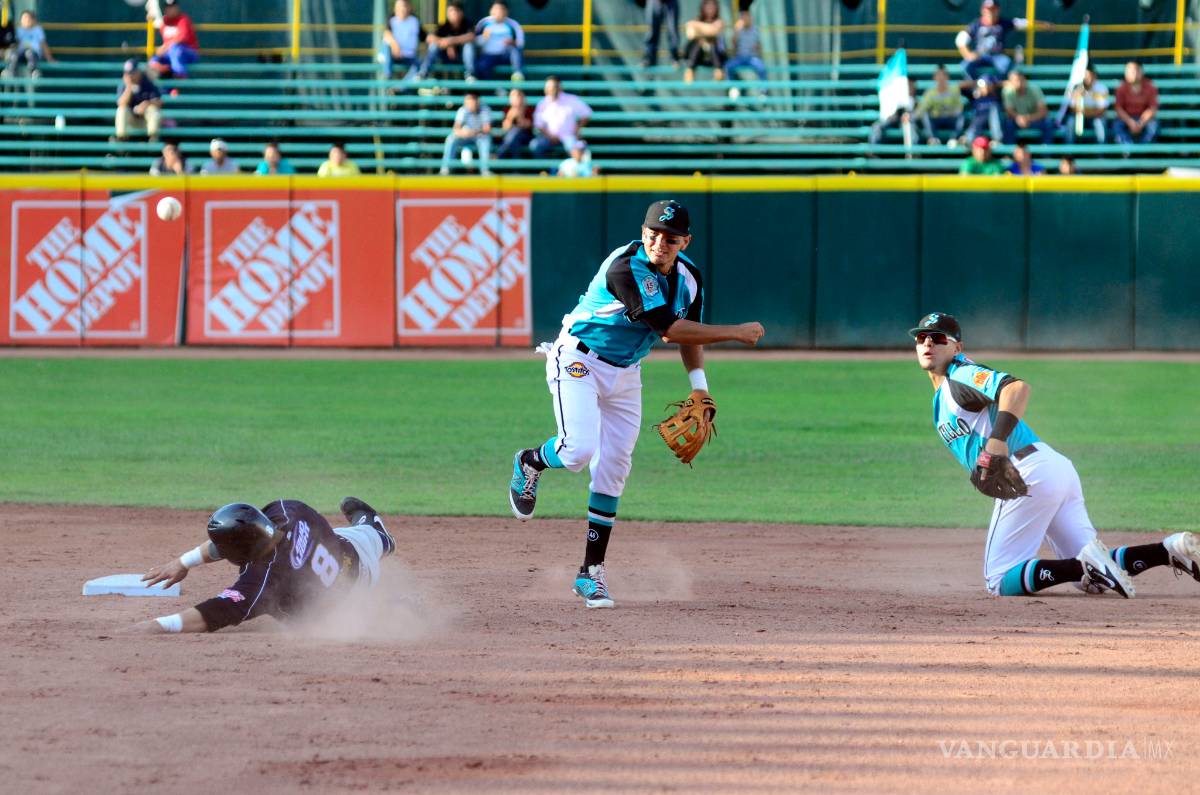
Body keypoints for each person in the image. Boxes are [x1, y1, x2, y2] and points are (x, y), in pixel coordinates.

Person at [507, 200, 765, 609]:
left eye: (670, 237)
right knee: (578, 450)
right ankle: (531, 461)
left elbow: (689, 335)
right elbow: (670, 330)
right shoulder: (625, 267)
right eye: (653, 233)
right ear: (642, 232)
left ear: (685, 241)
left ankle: (591, 574)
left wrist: (699, 386)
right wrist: (736, 332)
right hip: (579, 358)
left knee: (613, 468)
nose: (659, 242)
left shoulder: (690, 277)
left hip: (626, 373)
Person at [910, 312, 1200, 598]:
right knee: (1095, 581)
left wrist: (996, 442)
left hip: (1028, 472)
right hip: (1051, 469)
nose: (927, 344)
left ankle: (1084, 566)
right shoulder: (944, 392)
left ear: (957, 347)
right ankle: (1167, 551)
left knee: (999, 580)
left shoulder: (961, 374)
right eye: (921, 338)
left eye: (937, 338)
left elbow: (1015, 388)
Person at [129, 497, 396, 634]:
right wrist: (183, 562)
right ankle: (379, 534)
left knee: (327, 618)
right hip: (357, 556)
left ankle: (395, 608)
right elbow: (247, 533)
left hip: (347, 611)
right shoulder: (289, 510)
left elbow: (214, 613)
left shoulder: (263, 581)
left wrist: (159, 625)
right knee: (361, 536)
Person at [955, 0, 1048, 81]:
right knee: (965, 65)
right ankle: (977, 88)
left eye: (993, 9)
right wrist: (968, 55)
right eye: (988, 9)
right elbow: (960, 40)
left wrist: (1043, 24)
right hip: (980, 56)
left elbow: (1023, 23)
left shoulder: (1003, 23)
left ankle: (996, 87)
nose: (990, 12)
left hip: (997, 56)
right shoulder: (976, 25)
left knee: (1007, 65)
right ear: (983, 10)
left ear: (998, 10)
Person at [531, 75, 592, 160]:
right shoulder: (542, 104)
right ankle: (544, 171)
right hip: (548, 137)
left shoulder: (571, 99)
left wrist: (577, 128)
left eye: (554, 87)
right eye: (549, 87)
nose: (552, 90)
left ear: (560, 87)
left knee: (577, 150)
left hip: (568, 136)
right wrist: (549, 135)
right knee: (535, 145)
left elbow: (587, 113)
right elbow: (538, 124)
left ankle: (574, 171)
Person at [418, 1, 475, 81]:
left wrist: (450, 41)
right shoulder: (444, 26)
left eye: (454, 11)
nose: (451, 14)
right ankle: (423, 73)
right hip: (444, 58)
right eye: (449, 11)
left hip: (461, 57)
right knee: (433, 46)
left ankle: (470, 74)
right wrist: (446, 44)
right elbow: (431, 38)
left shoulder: (467, 23)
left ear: (461, 12)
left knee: (468, 46)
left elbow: (471, 36)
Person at [439, 91, 492, 176]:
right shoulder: (462, 110)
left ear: (477, 100)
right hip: (465, 137)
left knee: (485, 139)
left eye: (472, 99)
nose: (470, 102)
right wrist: (463, 133)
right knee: (451, 139)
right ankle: (445, 169)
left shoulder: (485, 109)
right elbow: (456, 129)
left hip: (479, 136)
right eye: (468, 100)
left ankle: (485, 170)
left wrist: (473, 132)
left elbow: (487, 129)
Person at [473, 2, 524, 82]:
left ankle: (517, 73)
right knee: (481, 66)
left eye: (501, 9)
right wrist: (483, 37)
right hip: (488, 55)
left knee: (514, 50)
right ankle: (495, 90)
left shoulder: (513, 25)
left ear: (506, 12)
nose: (499, 12)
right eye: (496, 9)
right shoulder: (483, 23)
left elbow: (520, 44)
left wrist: (512, 42)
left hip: (505, 55)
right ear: (491, 11)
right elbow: (474, 43)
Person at [915, 64, 965, 145]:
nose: (941, 78)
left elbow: (959, 109)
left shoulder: (954, 90)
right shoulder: (930, 93)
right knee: (925, 115)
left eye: (943, 75)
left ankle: (954, 139)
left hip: (950, 119)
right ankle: (933, 139)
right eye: (938, 75)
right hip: (936, 120)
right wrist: (911, 117)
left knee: (960, 116)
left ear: (948, 77)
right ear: (934, 77)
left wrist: (949, 113)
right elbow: (921, 109)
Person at [148, 0, 199, 79]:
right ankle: (162, 70)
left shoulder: (183, 19)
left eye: (172, 7)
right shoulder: (164, 21)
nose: (170, 10)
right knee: (155, 58)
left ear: (177, 8)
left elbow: (182, 37)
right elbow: (156, 23)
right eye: (168, 8)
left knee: (175, 48)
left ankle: (180, 74)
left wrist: (165, 46)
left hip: (188, 53)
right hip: (171, 55)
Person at [1113, 60, 1159, 145]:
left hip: (1144, 119)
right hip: (1126, 119)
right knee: (1117, 126)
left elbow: (1152, 108)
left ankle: (1143, 151)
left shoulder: (1150, 86)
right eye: (1129, 70)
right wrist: (1130, 122)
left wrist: (1141, 123)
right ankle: (1128, 151)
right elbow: (1118, 109)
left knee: (1153, 126)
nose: (1132, 73)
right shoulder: (1121, 87)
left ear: (1141, 72)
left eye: (1135, 70)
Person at [115, 60, 162, 142]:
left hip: (145, 121)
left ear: (139, 71)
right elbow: (121, 103)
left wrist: (147, 104)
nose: (130, 75)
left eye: (132, 72)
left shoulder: (148, 83)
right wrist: (129, 87)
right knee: (122, 110)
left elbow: (159, 102)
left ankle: (153, 139)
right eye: (128, 73)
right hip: (131, 122)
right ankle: (121, 139)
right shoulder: (124, 85)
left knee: (153, 110)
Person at [1001, 70, 1053, 144]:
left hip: (1033, 119)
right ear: (1010, 82)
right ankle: (1009, 153)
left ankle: (1046, 153)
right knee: (1008, 123)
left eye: (1020, 80)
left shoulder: (1035, 89)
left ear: (1025, 80)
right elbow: (1009, 111)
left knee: (1048, 123)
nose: (1018, 83)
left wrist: (1027, 118)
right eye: (1015, 80)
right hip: (1016, 120)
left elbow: (1043, 111)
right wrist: (1019, 118)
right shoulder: (1007, 91)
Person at [683, 0, 726, 84]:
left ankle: (718, 72)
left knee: (712, 43)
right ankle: (690, 71)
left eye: (712, 6)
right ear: (703, 7)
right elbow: (690, 34)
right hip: (699, 58)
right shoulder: (698, 19)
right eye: (708, 5)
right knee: (698, 43)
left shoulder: (720, 21)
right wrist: (705, 31)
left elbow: (713, 30)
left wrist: (696, 26)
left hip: (715, 58)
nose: (710, 8)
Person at [868, 76, 917, 149]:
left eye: (911, 85)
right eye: (907, 85)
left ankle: (912, 152)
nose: (909, 88)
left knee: (910, 127)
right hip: (894, 119)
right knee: (877, 125)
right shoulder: (896, 100)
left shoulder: (917, 103)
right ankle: (872, 149)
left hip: (908, 123)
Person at [378, 0, 421, 81]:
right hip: (392, 56)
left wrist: (446, 41)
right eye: (399, 6)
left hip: (408, 57)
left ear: (409, 7)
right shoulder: (391, 19)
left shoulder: (415, 21)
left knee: (420, 67)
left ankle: (399, 88)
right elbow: (386, 34)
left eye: (404, 6)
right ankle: (388, 76)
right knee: (387, 47)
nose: (402, 9)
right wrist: (395, 45)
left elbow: (425, 37)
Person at [1065, 64, 1109, 144]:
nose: (1086, 78)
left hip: (1095, 117)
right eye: (1084, 75)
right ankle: (1068, 153)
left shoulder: (1101, 88)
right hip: (1078, 116)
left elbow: (1102, 110)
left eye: (1088, 75)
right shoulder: (1076, 88)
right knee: (1070, 122)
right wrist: (1077, 95)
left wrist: (1085, 112)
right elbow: (1072, 108)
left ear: (1094, 76)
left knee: (1100, 123)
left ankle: (1101, 154)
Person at [4, 10, 54, 78]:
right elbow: (15, 44)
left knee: (29, 53)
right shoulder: (19, 31)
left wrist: (49, 58)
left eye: (28, 18)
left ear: (33, 20)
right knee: (14, 55)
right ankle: (11, 72)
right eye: (24, 18)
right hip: (20, 54)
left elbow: (43, 44)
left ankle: (34, 72)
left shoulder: (38, 30)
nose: (26, 20)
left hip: (34, 54)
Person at [724, 9, 767, 84]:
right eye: (742, 16)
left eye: (746, 16)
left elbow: (760, 47)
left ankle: (763, 91)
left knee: (762, 68)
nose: (745, 18)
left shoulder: (756, 30)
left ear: (750, 17)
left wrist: (757, 48)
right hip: (739, 57)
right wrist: (736, 32)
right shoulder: (738, 30)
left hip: (753, 58)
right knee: (727, 67)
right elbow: (734, 45)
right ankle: (733, 87)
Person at [962, 75, 1003, 144]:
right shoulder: (974, 97)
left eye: (988, 84)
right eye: (983, 85)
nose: (985, 87)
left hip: (992, 121)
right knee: (979, 118)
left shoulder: (997, 96)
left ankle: (997, 139)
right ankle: (968, 139)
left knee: (993, 109)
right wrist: (975, 84)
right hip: (978, 120)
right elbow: (962, 86)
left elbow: (1005, 84)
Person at [496, 87, 534, 159]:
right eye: (513, 95)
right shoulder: (506, 109)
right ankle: (515, 166)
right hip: (510, 137)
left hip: (526, 136)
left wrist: (520, 114)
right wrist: (510, 116)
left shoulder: (529, 109)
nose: (516, 98)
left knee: (515, 132)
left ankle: (499, 156)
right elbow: (505, 128)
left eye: (518, 95)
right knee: (513, 137)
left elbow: (528, 125)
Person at [641, 0, 680, 68]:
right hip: (654, 2)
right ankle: (649, 58)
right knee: (651, 31)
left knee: (672, 30)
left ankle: (674, 58)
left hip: (671, 2)